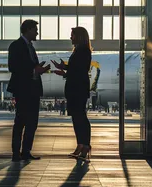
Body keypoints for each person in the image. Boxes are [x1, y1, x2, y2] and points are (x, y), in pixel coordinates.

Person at [7, 19, 50, 162]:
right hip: (23, 89)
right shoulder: (16, 46)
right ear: (28, 30)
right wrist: (33, 70)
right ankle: (16, 152)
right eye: (35, 30)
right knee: (20, 121)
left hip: (33, 90)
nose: (37, 32)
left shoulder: (30, 47)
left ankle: (26, 151)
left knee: (32, 122)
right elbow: (13, 67)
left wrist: (39, 69)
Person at [52, 26, 92, 163]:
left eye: (72, 35)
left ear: (79, 37)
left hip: (78, 89)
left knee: (80, 117)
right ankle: (81, 144)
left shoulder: (83, 51)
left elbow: (80, 70)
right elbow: (77, 68)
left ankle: (85, 145)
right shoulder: (78, 51)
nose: (70, 38)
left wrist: (65, 72)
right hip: (76, 88)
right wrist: (64, 67)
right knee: (76, 117)